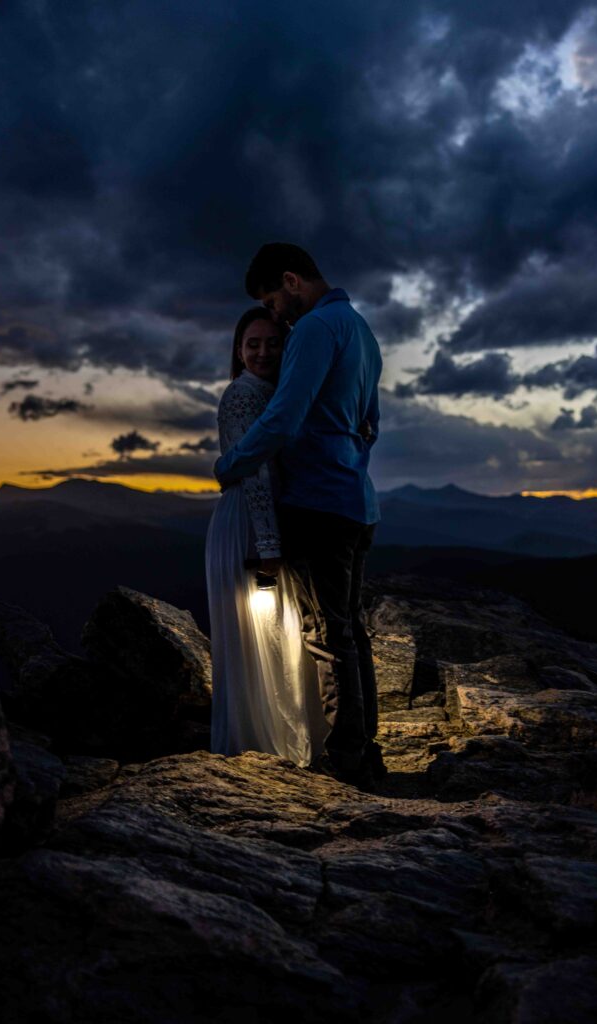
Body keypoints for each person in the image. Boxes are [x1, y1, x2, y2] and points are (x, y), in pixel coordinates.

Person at [214, 242, 385, 790]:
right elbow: (371, 423)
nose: (276, 313)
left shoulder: (313, 329)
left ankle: (347, 760)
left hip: (317, 501)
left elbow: (284, 420)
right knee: (351, 631)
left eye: (272, 298)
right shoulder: (360, 328)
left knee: (326, 637)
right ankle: (364, 748)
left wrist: (231, 462)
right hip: (358, 499)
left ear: (291, 281)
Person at [206, 307, 328, 767]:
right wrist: (269, 548)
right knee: (267, 637)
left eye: (272, 343)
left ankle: (276, 743)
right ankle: (261, 749)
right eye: (252, 344)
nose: (262, 352)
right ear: (238, 351)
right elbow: (254, 473)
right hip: (248, 529)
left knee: (275, 639)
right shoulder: (244, 396)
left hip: (261, 524)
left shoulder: (274, 394)